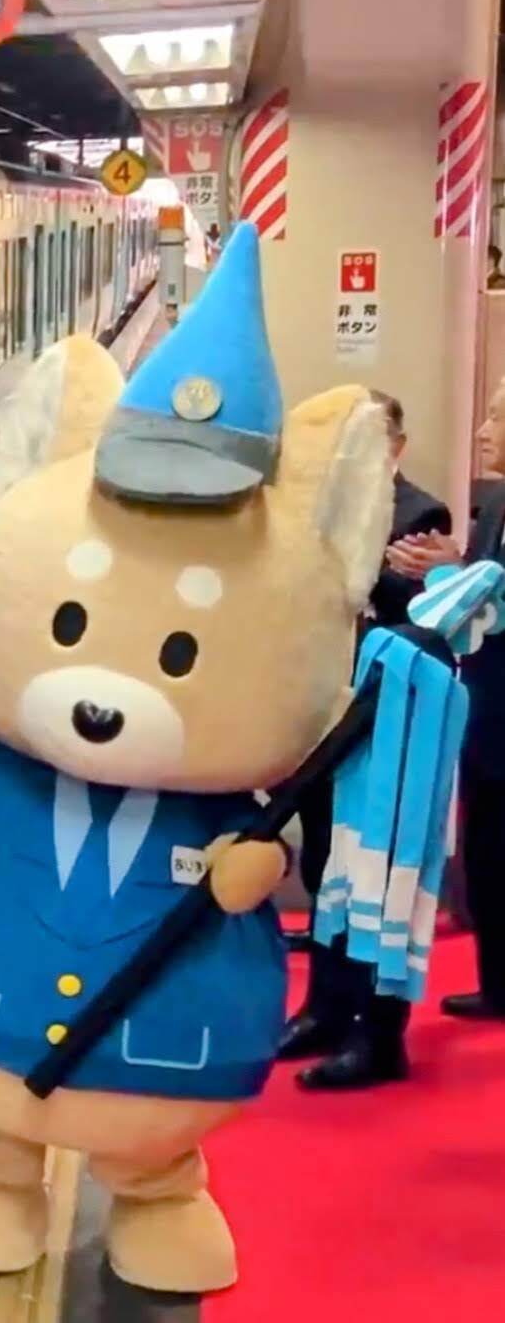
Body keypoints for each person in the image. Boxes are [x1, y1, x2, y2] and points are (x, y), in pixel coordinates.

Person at [279, 391, 452, 1087]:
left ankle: (379, 1034)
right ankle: (326, 1008)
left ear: (396, 446)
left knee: (380, 879)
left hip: (387, 726)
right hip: (326, 719)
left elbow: (427, 621)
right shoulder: (312, 508)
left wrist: (417, 574)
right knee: (327, 867)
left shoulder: (420, 515)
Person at [386, 379, 505, 1022]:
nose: (483, 431)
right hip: (486, 707)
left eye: (496, 418)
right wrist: (450, 567)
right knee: (487, 852)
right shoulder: (496, 503)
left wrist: (450, 574)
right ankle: (498, 984)